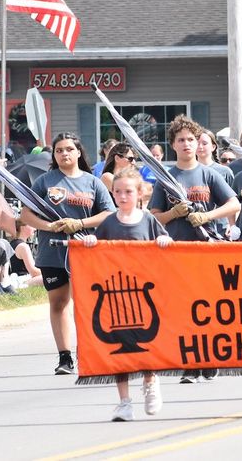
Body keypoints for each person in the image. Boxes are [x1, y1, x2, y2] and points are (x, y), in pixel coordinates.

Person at [150, 116, 240, 383]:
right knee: (182, 306)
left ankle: (209, 354)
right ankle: (190, 360)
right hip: (177, 248)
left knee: (208, 304)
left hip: (207, 247)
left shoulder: (209, 174)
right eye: (181, 140)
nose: (187, 144)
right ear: (173, 145)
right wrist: (172, 213)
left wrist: (208, 216)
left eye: (192, 139)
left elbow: (234, 204)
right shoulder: (165, 178)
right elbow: (153, 216)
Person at [20, 132, 116, 375]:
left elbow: (108, 213)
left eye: (69, 149)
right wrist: (48, 226)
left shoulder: (92, 182)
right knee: (59, 302)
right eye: (59, 150)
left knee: (85, 302)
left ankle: (90, 350)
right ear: (54, 154)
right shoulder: (44, 181)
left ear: (78, 152)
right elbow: (27, 214)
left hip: (85, 250)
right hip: (51, 252)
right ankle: (65, 356)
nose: (64, 153)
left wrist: (80, 224)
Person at [81, 168, 172, 421]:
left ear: (139, 193)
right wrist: (91, 244)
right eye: (118, 192)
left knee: (146, 345)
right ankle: (124, 402)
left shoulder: (149, 220)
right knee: (119, 351)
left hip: (145, 293)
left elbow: (166, 246)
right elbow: (97, 253)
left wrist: (164, 242)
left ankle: (151, 382)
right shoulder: (109, 222)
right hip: (114, 293)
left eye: (128, 192)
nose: (123, 196)